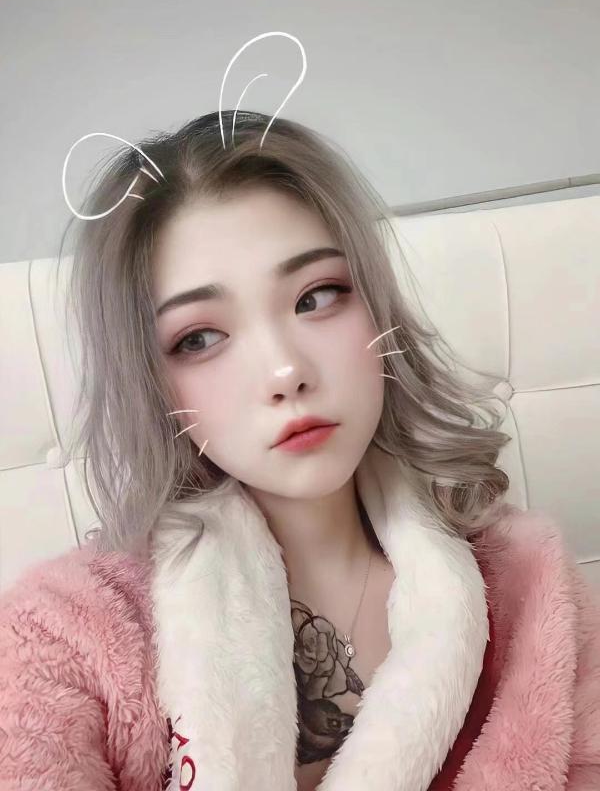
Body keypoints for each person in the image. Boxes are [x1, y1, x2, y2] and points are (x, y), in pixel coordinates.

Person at [1, 109, 599, 791]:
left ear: (377, 308)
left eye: (316, 297)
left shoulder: (530, 587)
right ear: (151, 382)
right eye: (200, 338)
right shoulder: (66, 632)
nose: (285, 371)